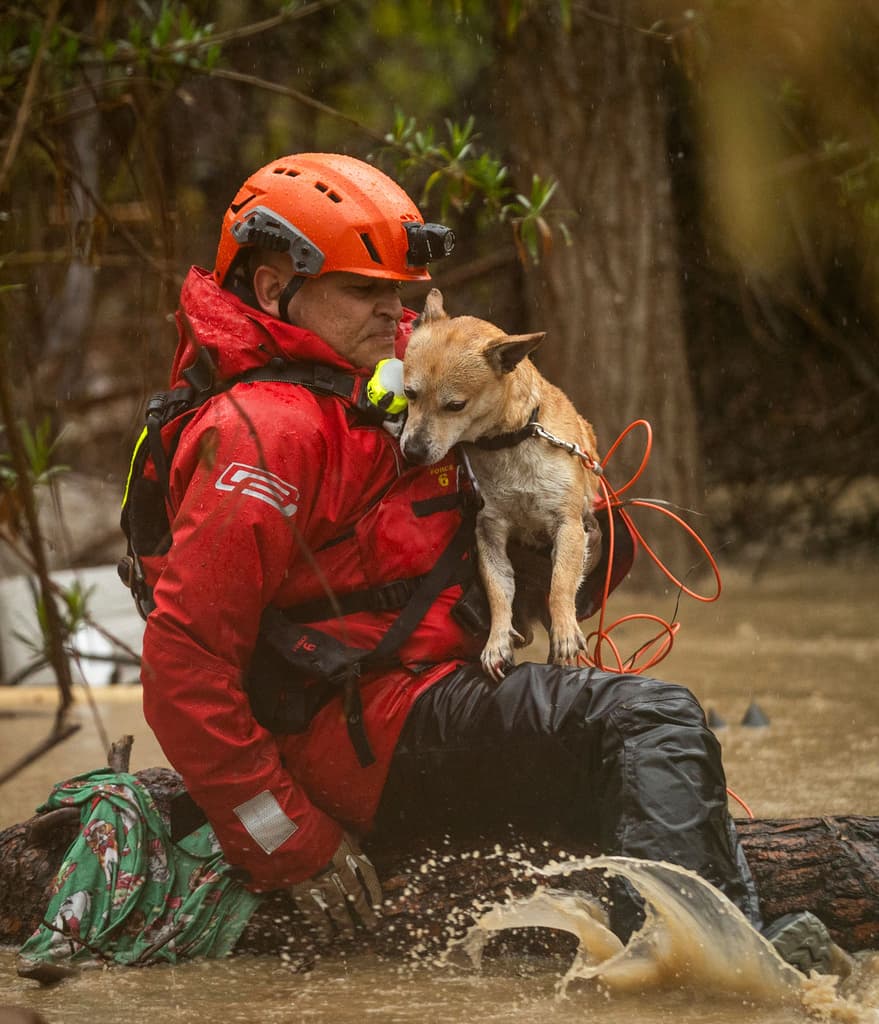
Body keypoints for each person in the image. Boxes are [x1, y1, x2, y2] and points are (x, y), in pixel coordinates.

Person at [132, 152, 829, 967]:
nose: (392, 317)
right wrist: (293, 844)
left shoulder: (375, 393)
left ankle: (733, 944)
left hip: (415, 707)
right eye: (363, 292)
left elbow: (509, 580)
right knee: (654, 720)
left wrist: (551, 473)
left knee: (640, 749)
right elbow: (182, 668)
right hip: (365, 740)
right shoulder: (269, 432)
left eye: (396, 294)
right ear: (270, 287)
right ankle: (699, 976)